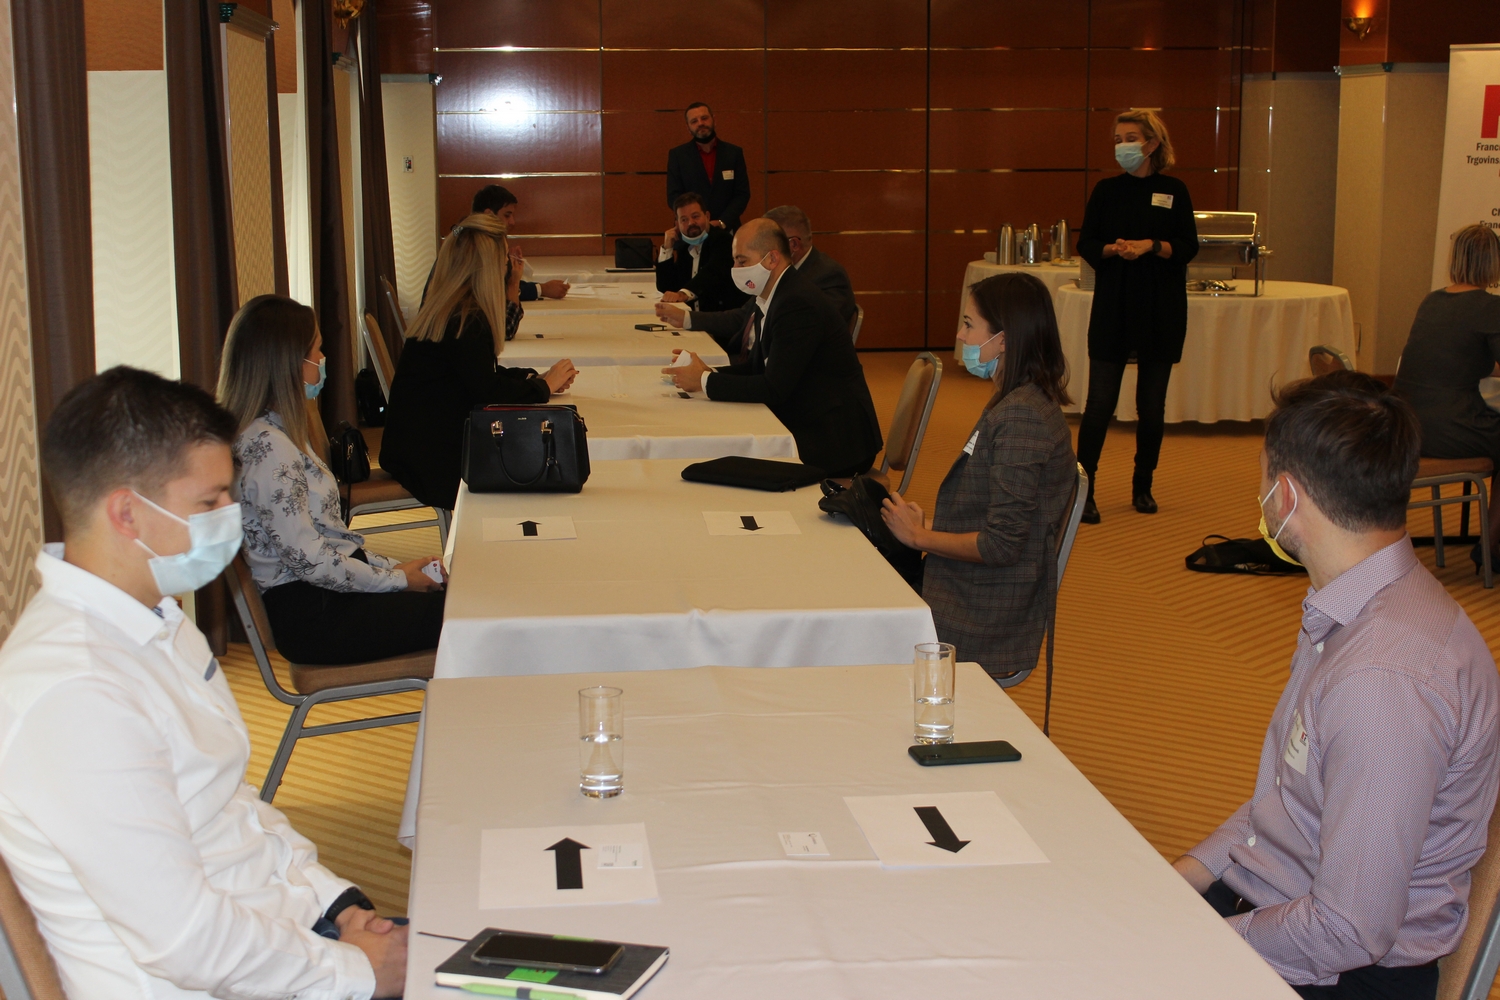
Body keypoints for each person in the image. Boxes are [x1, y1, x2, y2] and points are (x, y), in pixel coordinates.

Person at [0, 366, 407, 998]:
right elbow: (187, 941)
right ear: (127, 513)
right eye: (210, 502)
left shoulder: (156, 619)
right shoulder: (75, 693)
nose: (231, 519)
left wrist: (335, 904)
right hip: (211, 982)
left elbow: (231, 805)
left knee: (512, 945)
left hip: (279, 938)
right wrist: (356, 972)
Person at [1173, 371, 1500, 1000]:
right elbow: (1288, 803)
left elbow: (1350, 930)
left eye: (1262, 476)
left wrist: (1197, 940)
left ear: (1286, 496)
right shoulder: (1358, 602)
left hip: (1340, 972)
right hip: (1278, 905)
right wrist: (1181, 879)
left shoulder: (1384, 681)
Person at [218, 294, 447, 665]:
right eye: (317, 350)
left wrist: (391, 569)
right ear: (290, 362)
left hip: (326, 594)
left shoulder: (278, 430)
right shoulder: (268, 448)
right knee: (461, 616)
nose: (323, 359)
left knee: (457, 600)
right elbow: (310, 561)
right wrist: (397, 580)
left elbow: (329, 540)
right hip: (315, 616)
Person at [879, 273, 1077, 682]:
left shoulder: (1021, 417)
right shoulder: (1016, 400)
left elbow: (1001, 545)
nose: (960, 335)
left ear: (1003, 340)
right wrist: (925, 528)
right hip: (973, 583)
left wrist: (919, 537)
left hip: (982, 606)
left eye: (969, 325)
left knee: (858, 614)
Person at [382, 212, 578, 511]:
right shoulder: (467, 320)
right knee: (539, 465)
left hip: (418, 444)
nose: (507, 267)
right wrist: (542, 388)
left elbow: (477, 375)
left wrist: (534, 380)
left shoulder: (453, 308)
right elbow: (487, 392)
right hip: (434, 460)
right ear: (489, 267)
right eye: (504, 259)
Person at [662, 218, 882, 477]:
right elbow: (757, 368)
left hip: (835, 440)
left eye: (742, 261)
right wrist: (708, 372)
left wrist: (704, 381)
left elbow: (773, 388)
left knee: (725, 457)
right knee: (721, 441)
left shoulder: (796, 303)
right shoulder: (772, 295)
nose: (735, 269)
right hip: (808, 416)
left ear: (772, 259)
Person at [1075, 109, 1199, 523]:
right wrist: (1114, 249)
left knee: (1151, 406)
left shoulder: (1174, 190)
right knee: (1099, 404)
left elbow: (1188, 246)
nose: (1122, 146)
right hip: (1114, 307)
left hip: (1161, 310)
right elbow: (1087, 243)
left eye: (1130, 138)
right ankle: (1084, 489)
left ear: (1152, 144)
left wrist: (1152, 246)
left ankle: (1142, 485)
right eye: (1117, 139)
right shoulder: (1106, 190)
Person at [1393, 223, 1500, 567]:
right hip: (1450, 428)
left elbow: (1454, 357)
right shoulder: (1489, 307)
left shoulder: (1433, 301)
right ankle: (1493, 547)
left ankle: (1493, 543)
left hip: (1407, 426)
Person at [654, 204, 857, 353]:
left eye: (766, 240)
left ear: (793, 245)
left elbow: (802, 336)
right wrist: (687, 318)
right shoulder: (774, 273)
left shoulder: (827, 276)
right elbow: (744, 316)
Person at [471, 184, 570, 300]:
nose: (512, 222)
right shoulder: (472, 245)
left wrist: (512, 269)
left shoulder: (473, 237)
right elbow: (495, 290)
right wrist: (542, 289)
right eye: (507, 215)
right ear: (488, 214)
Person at [656, 192, 748, 313]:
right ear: (677, 224)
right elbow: (666, 288)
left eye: (695, 216)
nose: (691, 223)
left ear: (707, 216)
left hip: (722, 319)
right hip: (693, 319)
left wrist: (684, 294)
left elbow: (712, 273)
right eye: (684, 219)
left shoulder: (723, 240)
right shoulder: (684, 249)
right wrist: (667, 248)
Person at [666, 101, 750, 231]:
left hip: (727, 229)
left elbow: (742, 194)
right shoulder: (678, 156)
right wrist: (695, 220)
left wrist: (722, 222)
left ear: (714, 120)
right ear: (688, 127)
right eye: (694, 121)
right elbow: (673, 196)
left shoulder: (733, 153)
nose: (700, 123)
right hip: (692, 230)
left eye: (704, 118)